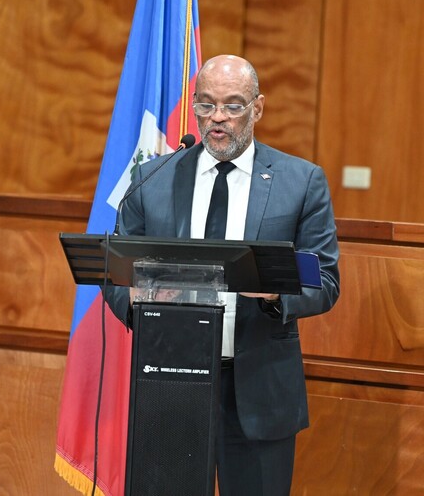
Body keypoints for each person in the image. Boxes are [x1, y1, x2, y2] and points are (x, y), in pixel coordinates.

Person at [104, 55, 340, 495]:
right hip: (170, 381)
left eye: (232, 105)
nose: (217, 117)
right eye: (206, 104)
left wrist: (275, 294)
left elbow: (324, 281)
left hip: (258, 389)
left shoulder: (300, 181)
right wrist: (137, 301)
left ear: (257, 108)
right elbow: (114, 271)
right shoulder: (151, 179)